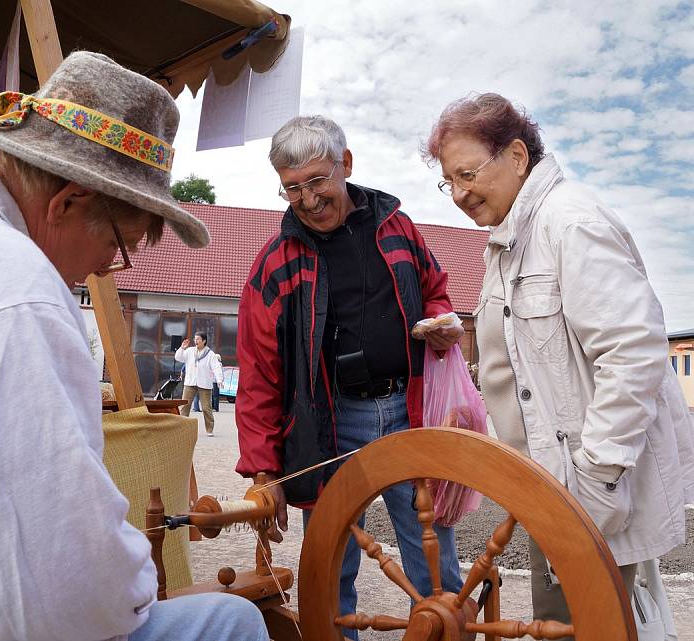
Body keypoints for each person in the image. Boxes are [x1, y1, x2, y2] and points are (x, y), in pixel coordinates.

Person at [0, 51, 267, 641]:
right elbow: (55, 586)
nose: (109, 267)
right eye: (123, 245)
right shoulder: (11, 287)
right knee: (231, 622)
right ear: (67, 201)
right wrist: (130, 583)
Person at [424, 92, 694, 632]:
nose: (457, 193)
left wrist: (596, 477)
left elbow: (635, 350)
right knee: (568, 621)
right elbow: (531, 355)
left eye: (467, 174)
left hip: (586, 495)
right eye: (447, 181)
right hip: (551, 491)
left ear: (518, 156)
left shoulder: (568, 224)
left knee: (595, 624)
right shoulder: (510, 241)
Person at [235, 115, 465, 637]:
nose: (308, 200)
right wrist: (263, 471)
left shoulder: (396, 226)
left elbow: (435, 287)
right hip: (330, 424)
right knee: (331, 563)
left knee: (435, 566)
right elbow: (258, 373)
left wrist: (443, 320)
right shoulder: (276, 262)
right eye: (292, 188)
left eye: (318, 181)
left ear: (347, 165)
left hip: (409, 408)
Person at [175, 333, 223, 436]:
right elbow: (178, 358)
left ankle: (209, 429)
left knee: (206, 408)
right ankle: (181, 428)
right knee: (184, 406)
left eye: (198, 339)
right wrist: (182, 348)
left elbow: (216, 367)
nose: (196, 341)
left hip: (204, 384)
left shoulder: (210, 354)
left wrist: (219, 380)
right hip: (190, 382)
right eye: (195, 339)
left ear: (204, 341)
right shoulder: (190, 351)